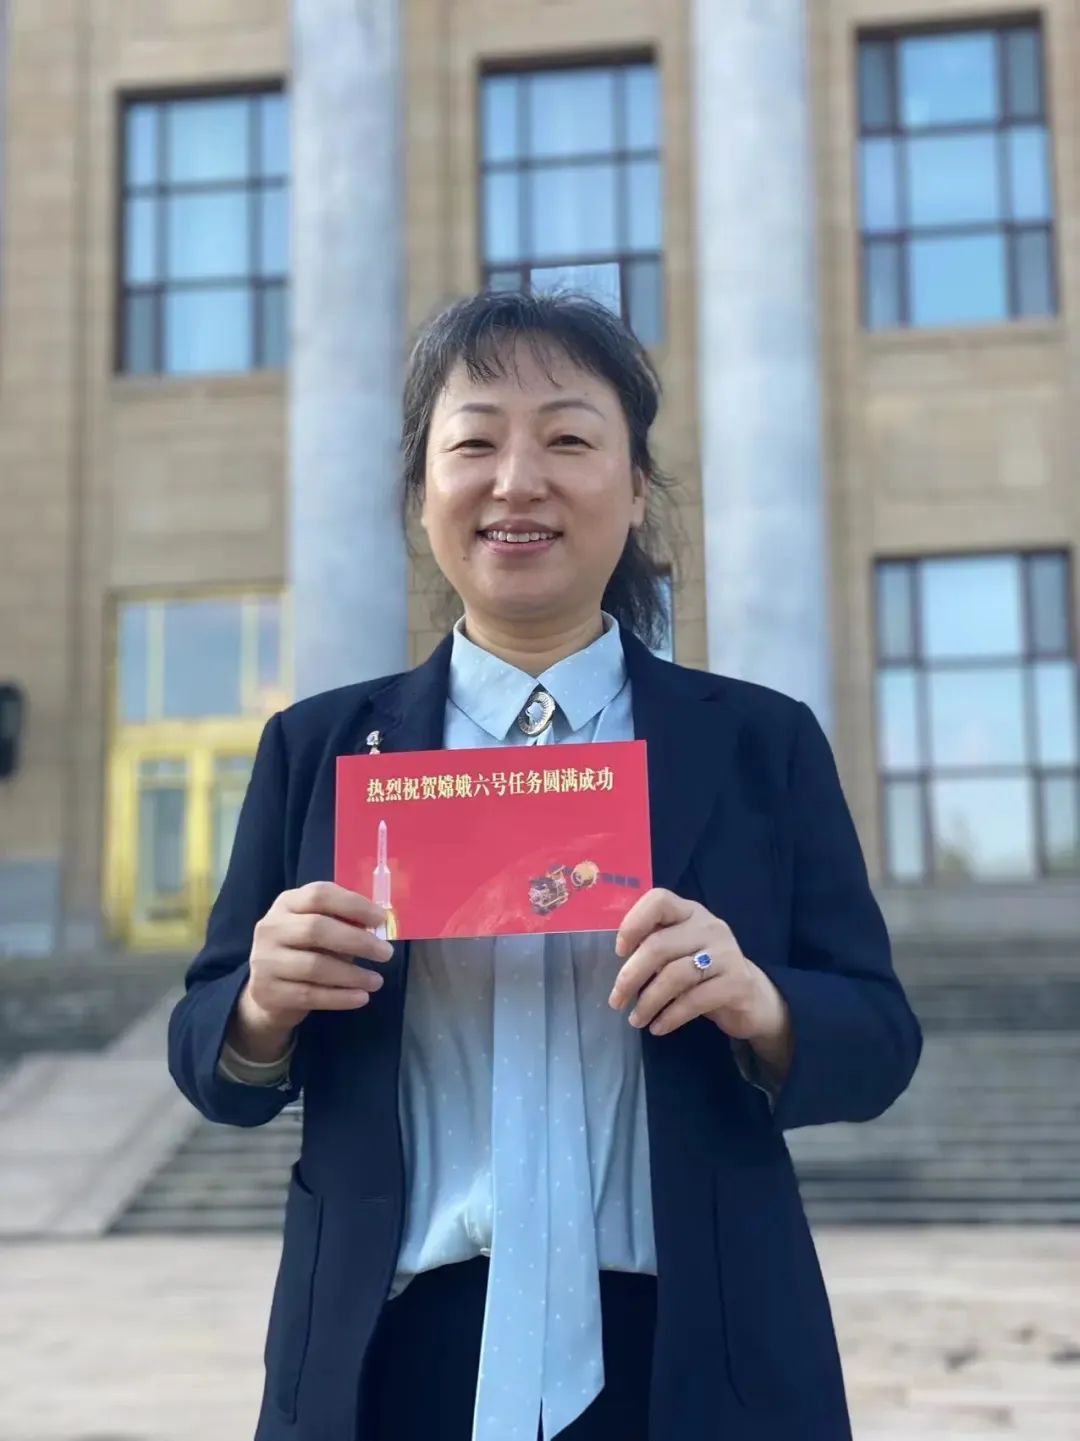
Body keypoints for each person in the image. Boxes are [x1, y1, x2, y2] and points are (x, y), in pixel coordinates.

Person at [168, 290, 923, 1441]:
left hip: (693, 1357)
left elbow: (878, 1037)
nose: (518, 481)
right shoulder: (318, 750)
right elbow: (207, 1051)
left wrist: (760, 1003)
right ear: (422, 488)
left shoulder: (756, 745)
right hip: (388, 1356)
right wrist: (259, 1008)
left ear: (637, 486)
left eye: (569, 438)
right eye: (474, 443)